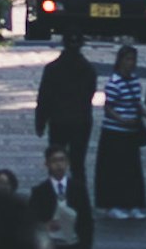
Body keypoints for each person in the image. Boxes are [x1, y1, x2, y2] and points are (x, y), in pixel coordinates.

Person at [33, 25, 101, 196]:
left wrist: (40, 122)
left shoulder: (53, 69)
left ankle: (54, 195)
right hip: (81, 121)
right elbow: (89, 95)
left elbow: (44, 97)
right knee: (78, 164)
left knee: (55, 159)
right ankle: (80, 198)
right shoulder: (88, 69)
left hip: (59, 121)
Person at [90, 54, 146, 217]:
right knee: (114, 170)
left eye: (132, 60)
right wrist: (122, 120)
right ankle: (112, 204)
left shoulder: (134, 81)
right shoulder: (114, 83)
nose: (130, 63)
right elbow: (108, 107)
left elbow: (136, 102)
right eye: (127, 59)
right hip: (114, 131)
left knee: (132, 170)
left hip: (130, 132)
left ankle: (133, 204)